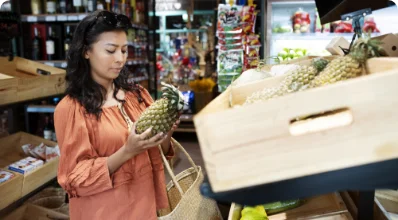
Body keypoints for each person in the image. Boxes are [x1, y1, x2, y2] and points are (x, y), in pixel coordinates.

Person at [54, 10, 179, 220]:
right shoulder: (72, 109)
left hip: (145, 206)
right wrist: (127, 151)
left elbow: (157, 155)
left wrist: (164, 134)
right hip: (104, 211)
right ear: (86, 51)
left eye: (124, 50)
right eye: (111, 50)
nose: (120, 59)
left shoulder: (137, 96)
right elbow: (75, 178)